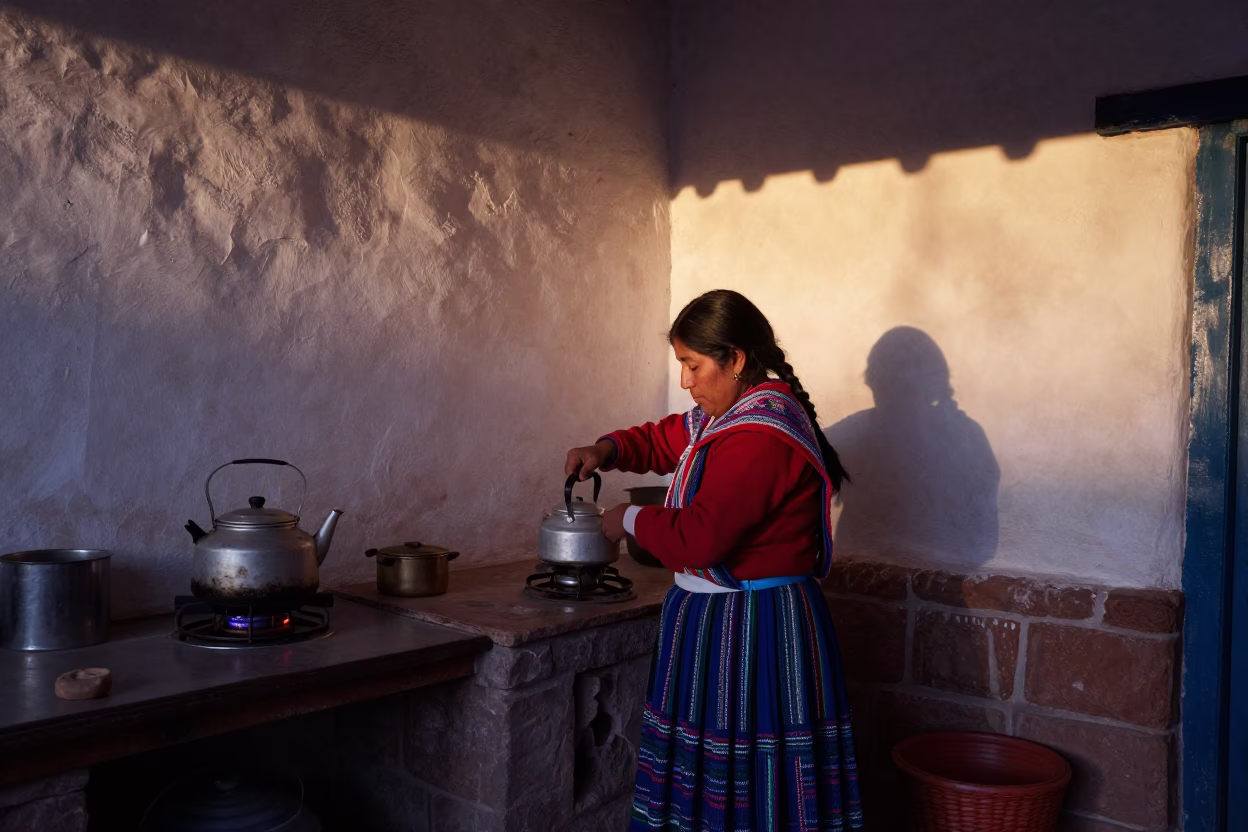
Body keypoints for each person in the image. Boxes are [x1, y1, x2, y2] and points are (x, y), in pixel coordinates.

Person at [565, 290, 865, 831]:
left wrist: (626, 520)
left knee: (755, 780)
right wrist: (605, 450)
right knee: (716, 779)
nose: (686, 381)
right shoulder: (723, 418)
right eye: (682, 365)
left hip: (758, 630)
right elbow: (664, 440)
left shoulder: (760, 436)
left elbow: (702, 538)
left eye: (693, 365)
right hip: (716, 622)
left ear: (737, 359)